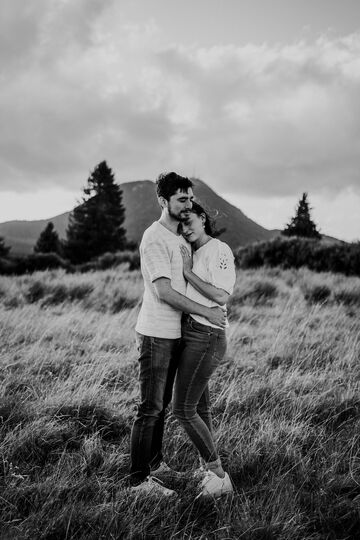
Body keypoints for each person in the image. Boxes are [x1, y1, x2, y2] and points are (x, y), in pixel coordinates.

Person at [130, 173, 227, 498]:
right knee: (151, 408)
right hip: (157, 334)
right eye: (181, 199)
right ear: (163, 201)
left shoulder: (182, 238)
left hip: (181, 337)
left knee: (168, 405)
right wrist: (205, 312)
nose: (188, 205)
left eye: (190, 198)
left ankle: (156, 465)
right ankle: (138, 481)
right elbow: (164, 292)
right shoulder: (154, 237)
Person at [173, 201, 236, 498]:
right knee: (199, 406)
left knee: (182, 408)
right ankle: (208, 470)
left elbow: (221, 295)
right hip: (193, 333)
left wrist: (188, 273)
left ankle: (220, 476)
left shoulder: (218, 249)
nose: (186, 228)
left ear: (202, 218)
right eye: (180, 223)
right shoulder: (194, 251)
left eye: (190, 221)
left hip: (207, 335)